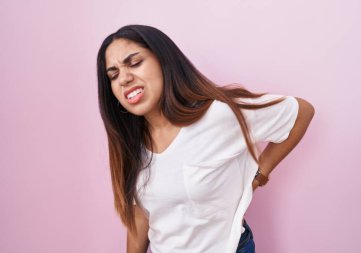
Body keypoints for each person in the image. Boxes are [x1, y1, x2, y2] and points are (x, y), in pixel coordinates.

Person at [96, 24, 315, 253]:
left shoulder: (219, 115)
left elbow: (302, 112)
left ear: (163, 60)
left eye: (135, 63)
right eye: (114, 75)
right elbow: (140, 220)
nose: (124, 79)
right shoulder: (131, 144)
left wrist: (260, 174)